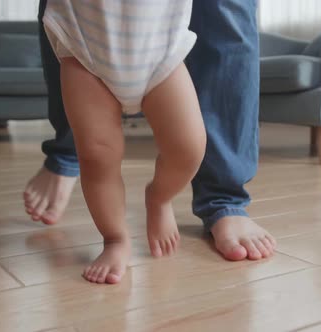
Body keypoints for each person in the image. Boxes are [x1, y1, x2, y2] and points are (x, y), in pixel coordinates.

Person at [24, 0, 276, 283]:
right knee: (96, 156)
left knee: (189, 147)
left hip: (159, 44)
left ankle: (159, 197)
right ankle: (115, 239)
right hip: (84, 46)